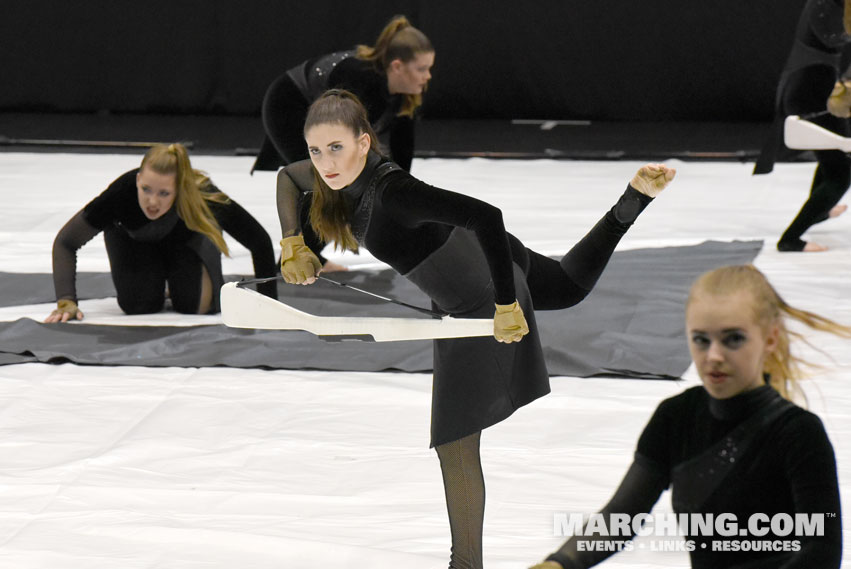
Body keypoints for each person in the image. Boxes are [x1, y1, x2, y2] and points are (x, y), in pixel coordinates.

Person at [275, 89, 676, 569]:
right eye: (316, 150)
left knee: (454, 439)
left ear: (363, 143)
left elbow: (486, 215)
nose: (323, 163)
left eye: (335, 148)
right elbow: (287, 176)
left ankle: (464, 566)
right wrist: (291, 241)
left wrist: (507, 304)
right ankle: (632, 201)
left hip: (479, 298)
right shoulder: (329, 177)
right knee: (567, 286)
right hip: (485, 261)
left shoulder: (394, 192)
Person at [530, 264, 847, 569]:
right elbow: (621, 516)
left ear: (770, 338)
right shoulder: (676, 417)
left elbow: (822, 552)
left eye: (733, 339)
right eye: (701, 340)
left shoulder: (799, 433)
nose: (714, 356)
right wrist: (560, 562)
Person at [254, 14, 434, 270]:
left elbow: (402, 157)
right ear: (397, 66)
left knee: (343, 186)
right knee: (329, 184)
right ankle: (291, 262)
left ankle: (308, 255)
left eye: (429, 68)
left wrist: (400, 199)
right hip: (288, 106)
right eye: (422, 69)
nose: (428, 76)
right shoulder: (362, 81)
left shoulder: (404, 96)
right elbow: (355, 157)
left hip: (317, 110)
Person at [46, 143, 278, 323]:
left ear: (180, 189)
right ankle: (158, 281)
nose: (152, 202)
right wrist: (66, 300)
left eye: (164, 194)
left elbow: (259, 241)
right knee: (137, 306)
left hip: (185, 247)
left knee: (198, 307)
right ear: (138, 180)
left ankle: (176, 279)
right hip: (135, 244)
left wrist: (270, 306)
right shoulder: (122, 193)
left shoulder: (199, 192)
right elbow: (66, 242)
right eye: (146, 189)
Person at [754, 0, 851, 251]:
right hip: (809, 90)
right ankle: (790, 239)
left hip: (816, 85)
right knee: (840, 172)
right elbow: (833, 37)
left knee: (836, 159)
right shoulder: (825, 4)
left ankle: (820, 211)